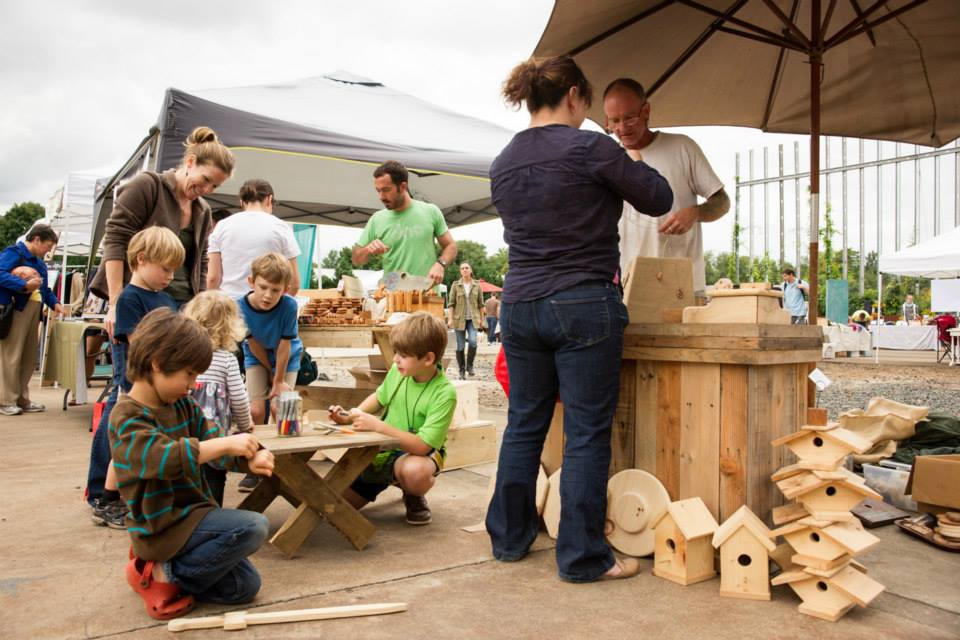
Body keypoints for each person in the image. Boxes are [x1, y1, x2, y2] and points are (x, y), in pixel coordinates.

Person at [485, 56, 672, 582]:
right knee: (587, 433)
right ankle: (584, 557)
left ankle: (509, 540)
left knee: (524, 424)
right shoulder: (591, 147)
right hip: (582, 301)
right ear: (572, 95)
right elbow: (659, 197)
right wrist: (630, 156)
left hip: (519, 303)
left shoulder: (503, 161)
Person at [109, 308, 274, 620]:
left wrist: (249, 458)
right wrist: (225, 444)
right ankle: (162, 572)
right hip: (161, 528)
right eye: (189, 374)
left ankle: (174, 572)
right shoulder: (127, 416)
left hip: (194, 516)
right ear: (158, 363)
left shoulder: (183, 405)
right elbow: (162, 458)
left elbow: (212, 442)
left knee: (244, 587)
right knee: (253, 526)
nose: (194, 384)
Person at [90, 126, 234, 331]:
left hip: (184, 307)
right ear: (190, 162)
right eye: (206, 179)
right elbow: (115, 240)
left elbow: (201, 263)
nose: (207, 190)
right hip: (141, 303)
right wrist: (115, 304)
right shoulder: (148, 186)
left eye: (214, 186)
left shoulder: (203, 210)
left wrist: (200, 308)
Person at [88, 226, 184, 526]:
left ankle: (138, 497)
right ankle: (106, 498)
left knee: (147, 445)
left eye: (173, 270)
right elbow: (138, 346)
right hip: (136, 387)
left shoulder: (165, 298)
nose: (170, 276)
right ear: (141, 259)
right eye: (165, 269)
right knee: (125, 446)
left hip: (160, 386)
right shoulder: (129, 299)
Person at [603, 79, 729, 296]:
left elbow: (722, 202)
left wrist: (695, 213)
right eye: (615, 121)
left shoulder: (682, 147)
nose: (622, 128)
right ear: (607, 121)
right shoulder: (606, 160)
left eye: (630, 118)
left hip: (681, 287)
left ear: (646, 111)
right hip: (626, 288)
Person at [328, 312, 456, 525]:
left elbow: (422, 447)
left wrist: (378, 426)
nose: (395, 359)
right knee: (334, 507)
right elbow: (379, 397)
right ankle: (389, 478)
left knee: (414, 473)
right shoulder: (399, 372)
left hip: (417, 455)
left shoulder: (444, 393)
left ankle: (412, 492)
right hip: (382, 453)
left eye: (403, 355)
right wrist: (349, 416)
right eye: (396, 352)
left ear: (428, 359)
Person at [182, 291, 253, 507]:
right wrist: (245, 425)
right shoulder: (226, 360)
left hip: (184, 435)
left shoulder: (184, 356)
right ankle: (212, 513)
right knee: (214, 478)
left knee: (185, 477)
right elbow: (239, 399)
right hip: (215, 439)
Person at [352, 161, 457, 286]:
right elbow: (356, 259)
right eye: (378, 191)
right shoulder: (377, 219)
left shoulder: (431, 211)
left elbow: (451, 246)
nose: (381, 196)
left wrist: (440, 264)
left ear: (403, 186)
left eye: (386, 190)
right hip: (392, 293)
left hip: (427, 293)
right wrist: (367, 250)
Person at [0, 224, 63, 416]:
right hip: (16, 309)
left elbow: (44, 289)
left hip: (33, 310)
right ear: (36, 239)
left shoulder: (39, 263)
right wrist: (23, 284)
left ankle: (21, 398)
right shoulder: (14, 252)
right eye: (47, 246)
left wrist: (55, 303)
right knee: (11, 356)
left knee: (27, 358)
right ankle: (6, 400)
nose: (48, 251)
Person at [206, 178, 301, 297]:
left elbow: (213, 278)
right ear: (269, 199)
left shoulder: (222, 226)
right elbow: (294, 283)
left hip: (229, 302)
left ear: (241, 202)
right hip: (267, 302)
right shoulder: (281, 227)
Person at [237, 253, 302, 426]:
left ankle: (282, 442)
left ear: (285, 289)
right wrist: (270, 372)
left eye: (275, 290)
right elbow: (253, 344)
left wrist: (278, 380)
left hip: (287, 356)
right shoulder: (239, 308)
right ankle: (257, 443)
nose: (268, 295)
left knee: (279, 409)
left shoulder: (289, 306)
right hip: (256, 355)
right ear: (251, 282)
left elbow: (285, 345)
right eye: (263, 287)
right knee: (256, 411)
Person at [447, 262, 485, 379]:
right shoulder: (455, 285)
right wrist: (450, 319)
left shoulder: (477, 285)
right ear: (460, 271)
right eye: (462, 268)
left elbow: (481, 305)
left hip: (473, 320)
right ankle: (461, 370)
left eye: (467, 268)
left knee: (473, 342)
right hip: (459, 320)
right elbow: (451, 304)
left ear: (470, 270)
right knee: (460, 346)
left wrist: (482, 320)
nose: (464, 270)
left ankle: (470, 366)